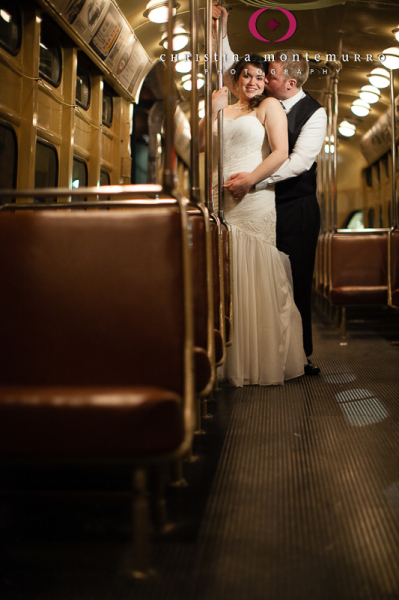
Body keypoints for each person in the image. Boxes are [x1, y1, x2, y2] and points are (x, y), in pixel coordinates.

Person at [213, 3, 327, 375]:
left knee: (293, 278)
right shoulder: (254, 101)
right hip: (257, 196)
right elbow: (230, 64)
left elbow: (297, 162)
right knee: (251, 274)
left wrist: (253, 180)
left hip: (295, 205)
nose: (261, 77)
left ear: (288, 83)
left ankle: (299, 353)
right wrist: (224, 25)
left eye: (270, 74)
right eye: (257, 74)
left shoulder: (313, 112)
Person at [199, 53, 305, 386]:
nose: (253, 82)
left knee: (253, 267)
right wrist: (211, 109)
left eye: (260, 77)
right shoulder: (225, 108)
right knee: (225, 271)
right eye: (247, 75)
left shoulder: (269, 107)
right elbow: (201, 145)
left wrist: (250, 180)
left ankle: (259, 360)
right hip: (220, 200)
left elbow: (281, 152)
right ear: (236, 78)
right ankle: (227, 356)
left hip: (254, 199)